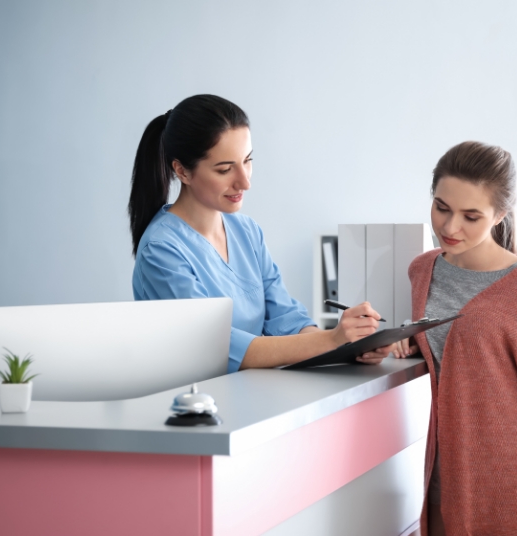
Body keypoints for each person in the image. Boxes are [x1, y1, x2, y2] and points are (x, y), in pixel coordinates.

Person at [397, 141, 517, 535]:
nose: (450, 228)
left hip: (511, 498)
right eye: (442, 208)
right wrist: (403, 341)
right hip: (440, 489)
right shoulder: (421, 270)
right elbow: (462, 358)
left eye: (471, 216)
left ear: (500, 214)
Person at [128, 94, 390, 373]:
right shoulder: (161, 250)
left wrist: (351, 346)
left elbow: (286, 320)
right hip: (194, 408)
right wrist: (332, 339)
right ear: (182, 171)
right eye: (225, 169)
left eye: (247, 160)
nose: (245, 182)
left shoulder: (247, 232)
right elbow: (220, 348)